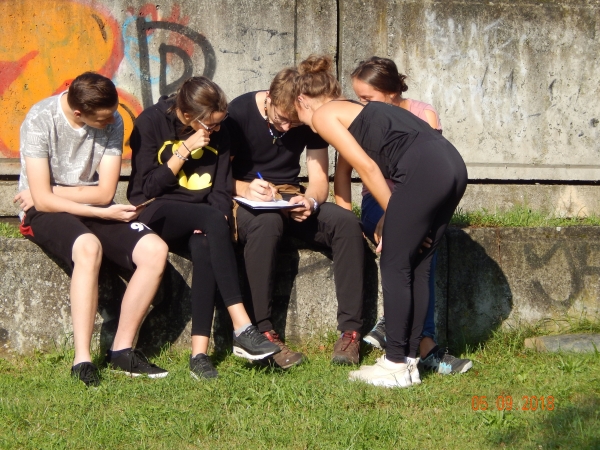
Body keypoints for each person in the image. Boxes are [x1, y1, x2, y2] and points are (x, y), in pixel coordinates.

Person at [289, 55, 468, 388]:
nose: (302, 125)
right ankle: (411, 360)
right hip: (452, 166)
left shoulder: (328, 115)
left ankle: (395, 363)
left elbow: (368, 170)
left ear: (303, 101)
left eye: (297, 116)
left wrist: (394, 216)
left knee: (395, 262)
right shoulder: (365, 113)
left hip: (424, 170)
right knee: (418, 263)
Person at [14, 72, 170, 387]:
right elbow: (42, 203)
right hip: (44, 212)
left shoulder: (113, 121)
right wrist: (48, 196)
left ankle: (122, 351)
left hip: (90, 206)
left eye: (113, 113)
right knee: (88, 246)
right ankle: (82, 360)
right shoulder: (40, 119)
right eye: (102, 118)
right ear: (78, 113)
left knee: (156, 250)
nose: (111, 120)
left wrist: (51, 192)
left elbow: (102, 192)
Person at [127, 77, 281, 379]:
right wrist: (183, 150)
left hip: (199, 215)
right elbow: (145, 190)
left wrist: (220, 219)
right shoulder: (151, 122)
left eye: (219, 124)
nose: (216, 131)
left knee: (206, 242)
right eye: (210, 126)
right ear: (186, 115)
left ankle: (199, 355)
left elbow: (221, 188)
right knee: (211, 220)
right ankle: (242, 327)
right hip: (155, 209)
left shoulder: (222, 129)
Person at [227, 68, 366, 368]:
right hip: (244, 200)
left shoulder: (306, 118)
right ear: (269, 98)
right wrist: (245, 188)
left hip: (288, 196)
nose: (288, 127)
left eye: (295, 121)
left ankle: (350, 333)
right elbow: (214, 177)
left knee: (345, 222)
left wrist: (311, 200)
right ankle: (262, 332)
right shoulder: (237, 113)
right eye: (280, 119)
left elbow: (318, 178)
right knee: (268, 223)